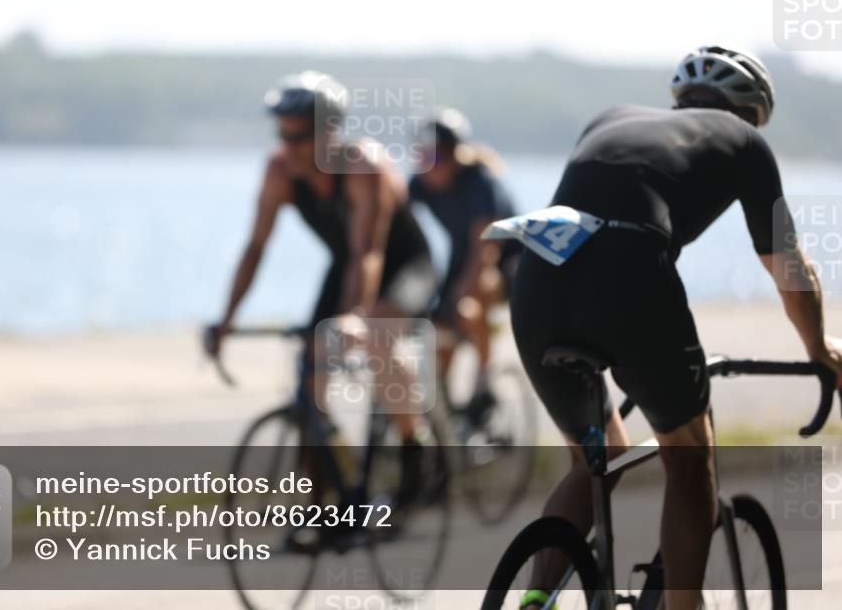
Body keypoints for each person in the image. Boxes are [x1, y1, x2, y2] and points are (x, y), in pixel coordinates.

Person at [499, 46, 842, 609]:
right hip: (629, 271)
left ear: (680, 100)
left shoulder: (610, 117)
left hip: (537, 272)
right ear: (752, 112)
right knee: (689, 463)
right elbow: (789, 266)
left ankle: (538, 598)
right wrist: (819, 349)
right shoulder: (747, 142)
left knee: (595, 458)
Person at [206, 71, 438, 505]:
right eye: (282, 134)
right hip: (346, 263)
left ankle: (414, 442)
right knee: (311, 370)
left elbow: (368, 252)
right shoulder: (279, 170)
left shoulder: (362, 165)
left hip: (404, 265)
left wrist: (353, 316)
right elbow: (256, 247)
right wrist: (227, 319)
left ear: (330, 131)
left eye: (300, 136)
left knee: (378, 335)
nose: (289, 146)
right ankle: (327, 494)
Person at [409, 108, 520, 418]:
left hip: (507, 261)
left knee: (469, 306)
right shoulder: (419, 185)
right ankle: (443, 405)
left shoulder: (480, 182)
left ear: (456, 157)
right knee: (440, 328)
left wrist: (464, 296)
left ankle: (485, 382)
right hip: (463, 257)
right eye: (422, 159)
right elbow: (395, 221)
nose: (430, 168)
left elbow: (486, 250)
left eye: (438, 159)